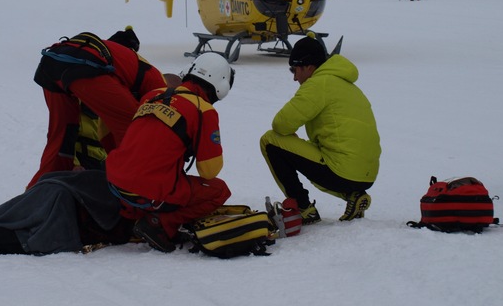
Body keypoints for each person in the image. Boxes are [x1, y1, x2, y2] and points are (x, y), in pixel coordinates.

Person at [106, 52, 235, 253]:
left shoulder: (152, 95)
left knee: (153, 174)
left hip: (115, 181)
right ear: (221, 86)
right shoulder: (204, 110)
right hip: (150, 189)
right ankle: (159, 223)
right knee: (219, 190)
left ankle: (132, 218)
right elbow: (209, 171)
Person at [260, 35, 381, 223]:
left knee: (270, 140)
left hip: (342, 172)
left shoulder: (318, 84)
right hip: (367, 175)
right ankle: (354, 196)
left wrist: (289, 137)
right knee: (320, 152)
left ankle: (303, 207)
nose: (294, 77)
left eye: (294, 69)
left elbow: (280, 124)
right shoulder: (348, 85)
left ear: (308, 67)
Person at [27, 27, 166, 189]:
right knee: (136, 132)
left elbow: (106, 130)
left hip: (52, 62)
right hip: (80, 67)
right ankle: (132, 196)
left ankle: (28, 201)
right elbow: (146, 131)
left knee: (60, 143)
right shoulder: (156, 82)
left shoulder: (111, 58)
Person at [0, 170, 135, 255]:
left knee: (7, 218)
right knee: (32, 240)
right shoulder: (134, 205)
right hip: (63, 202)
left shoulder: (119, 174)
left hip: (55, 185)